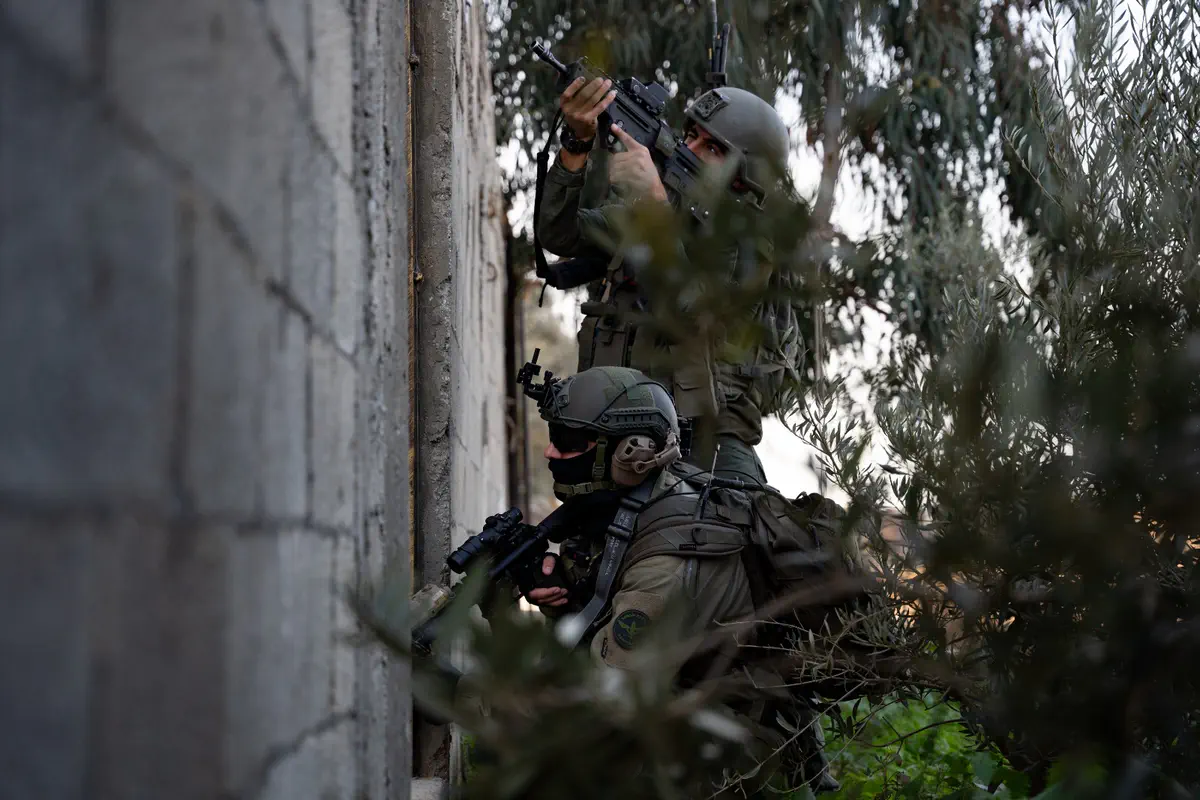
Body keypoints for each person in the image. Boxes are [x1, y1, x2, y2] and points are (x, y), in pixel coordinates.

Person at [517, 364, 840, 795]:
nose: (550, 452)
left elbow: (605, 699)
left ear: (631, 451)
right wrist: (563, 602)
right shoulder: (658, 494)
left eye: (568, 441)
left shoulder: (667, 561)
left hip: (741, 770)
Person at [535, 75, 793, 486]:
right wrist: (577, 145)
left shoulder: (751, 245)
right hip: (624, 440)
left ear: (743, 177)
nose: (688, 150)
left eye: (712, 148)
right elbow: (559, 234)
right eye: (690, 135)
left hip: (706, 452)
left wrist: (657, 207)